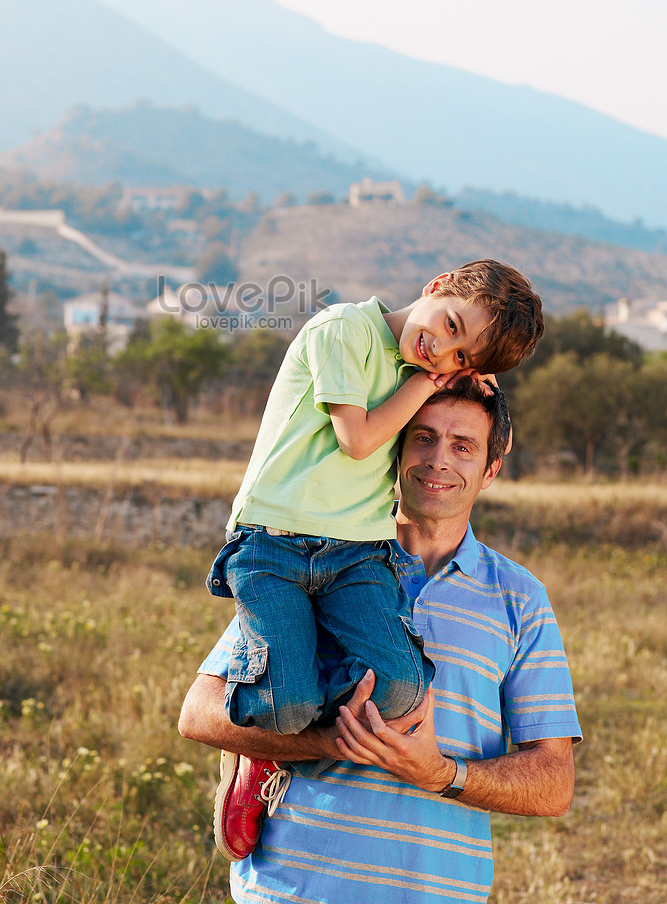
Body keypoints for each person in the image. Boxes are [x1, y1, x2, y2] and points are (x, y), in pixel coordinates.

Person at [181, 379, 581, 903]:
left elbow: (554, 783)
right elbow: (200, 714)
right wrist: (320, 744)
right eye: (422, 438)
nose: (439, 459)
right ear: (394, 448)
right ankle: (260, 759)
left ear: (490, 469)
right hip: (288, 891)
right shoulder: (318, 555)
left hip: (435, 894)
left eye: (463, 446)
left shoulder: (520, 599)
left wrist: (440, 773)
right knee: (280, 691)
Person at [205, 261, 544, 849]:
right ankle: (260, 746)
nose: (442, 353)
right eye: (450, 326)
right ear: (436, 285)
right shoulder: (344, 329)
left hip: (355, 554)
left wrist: (456, 377)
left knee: (402, 690)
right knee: (285, 712)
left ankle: (291, 703)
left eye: (462, 358)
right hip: (276, 544)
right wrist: (430, 382)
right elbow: (358, 440)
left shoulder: (413, 368)